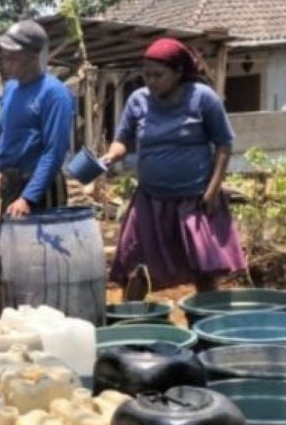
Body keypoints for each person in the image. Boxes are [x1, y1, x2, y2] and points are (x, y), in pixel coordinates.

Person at [102, 38, 246, 297]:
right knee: (135, 266)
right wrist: (111, 156)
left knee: (205, 269)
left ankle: (207, 326)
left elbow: (224, 145)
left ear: (179, 72)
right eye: (147, 75)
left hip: (195, 201)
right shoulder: (138, 101)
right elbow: (123, 140)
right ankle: (131, 323)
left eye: (159, 75)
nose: (152, 81)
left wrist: (212, 192)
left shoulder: (203, 99)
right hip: (151, 199)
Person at [0, 19, 73, 217]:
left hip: (42, 189)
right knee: (10, 246)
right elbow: (2, 131)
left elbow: (54, 151)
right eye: (4, 57)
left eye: (13, 57)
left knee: (43, 247)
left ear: (33, 56)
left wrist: (29, 197)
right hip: (11, 184)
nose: (6, 63)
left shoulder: (54, 93)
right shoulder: (10, 89)